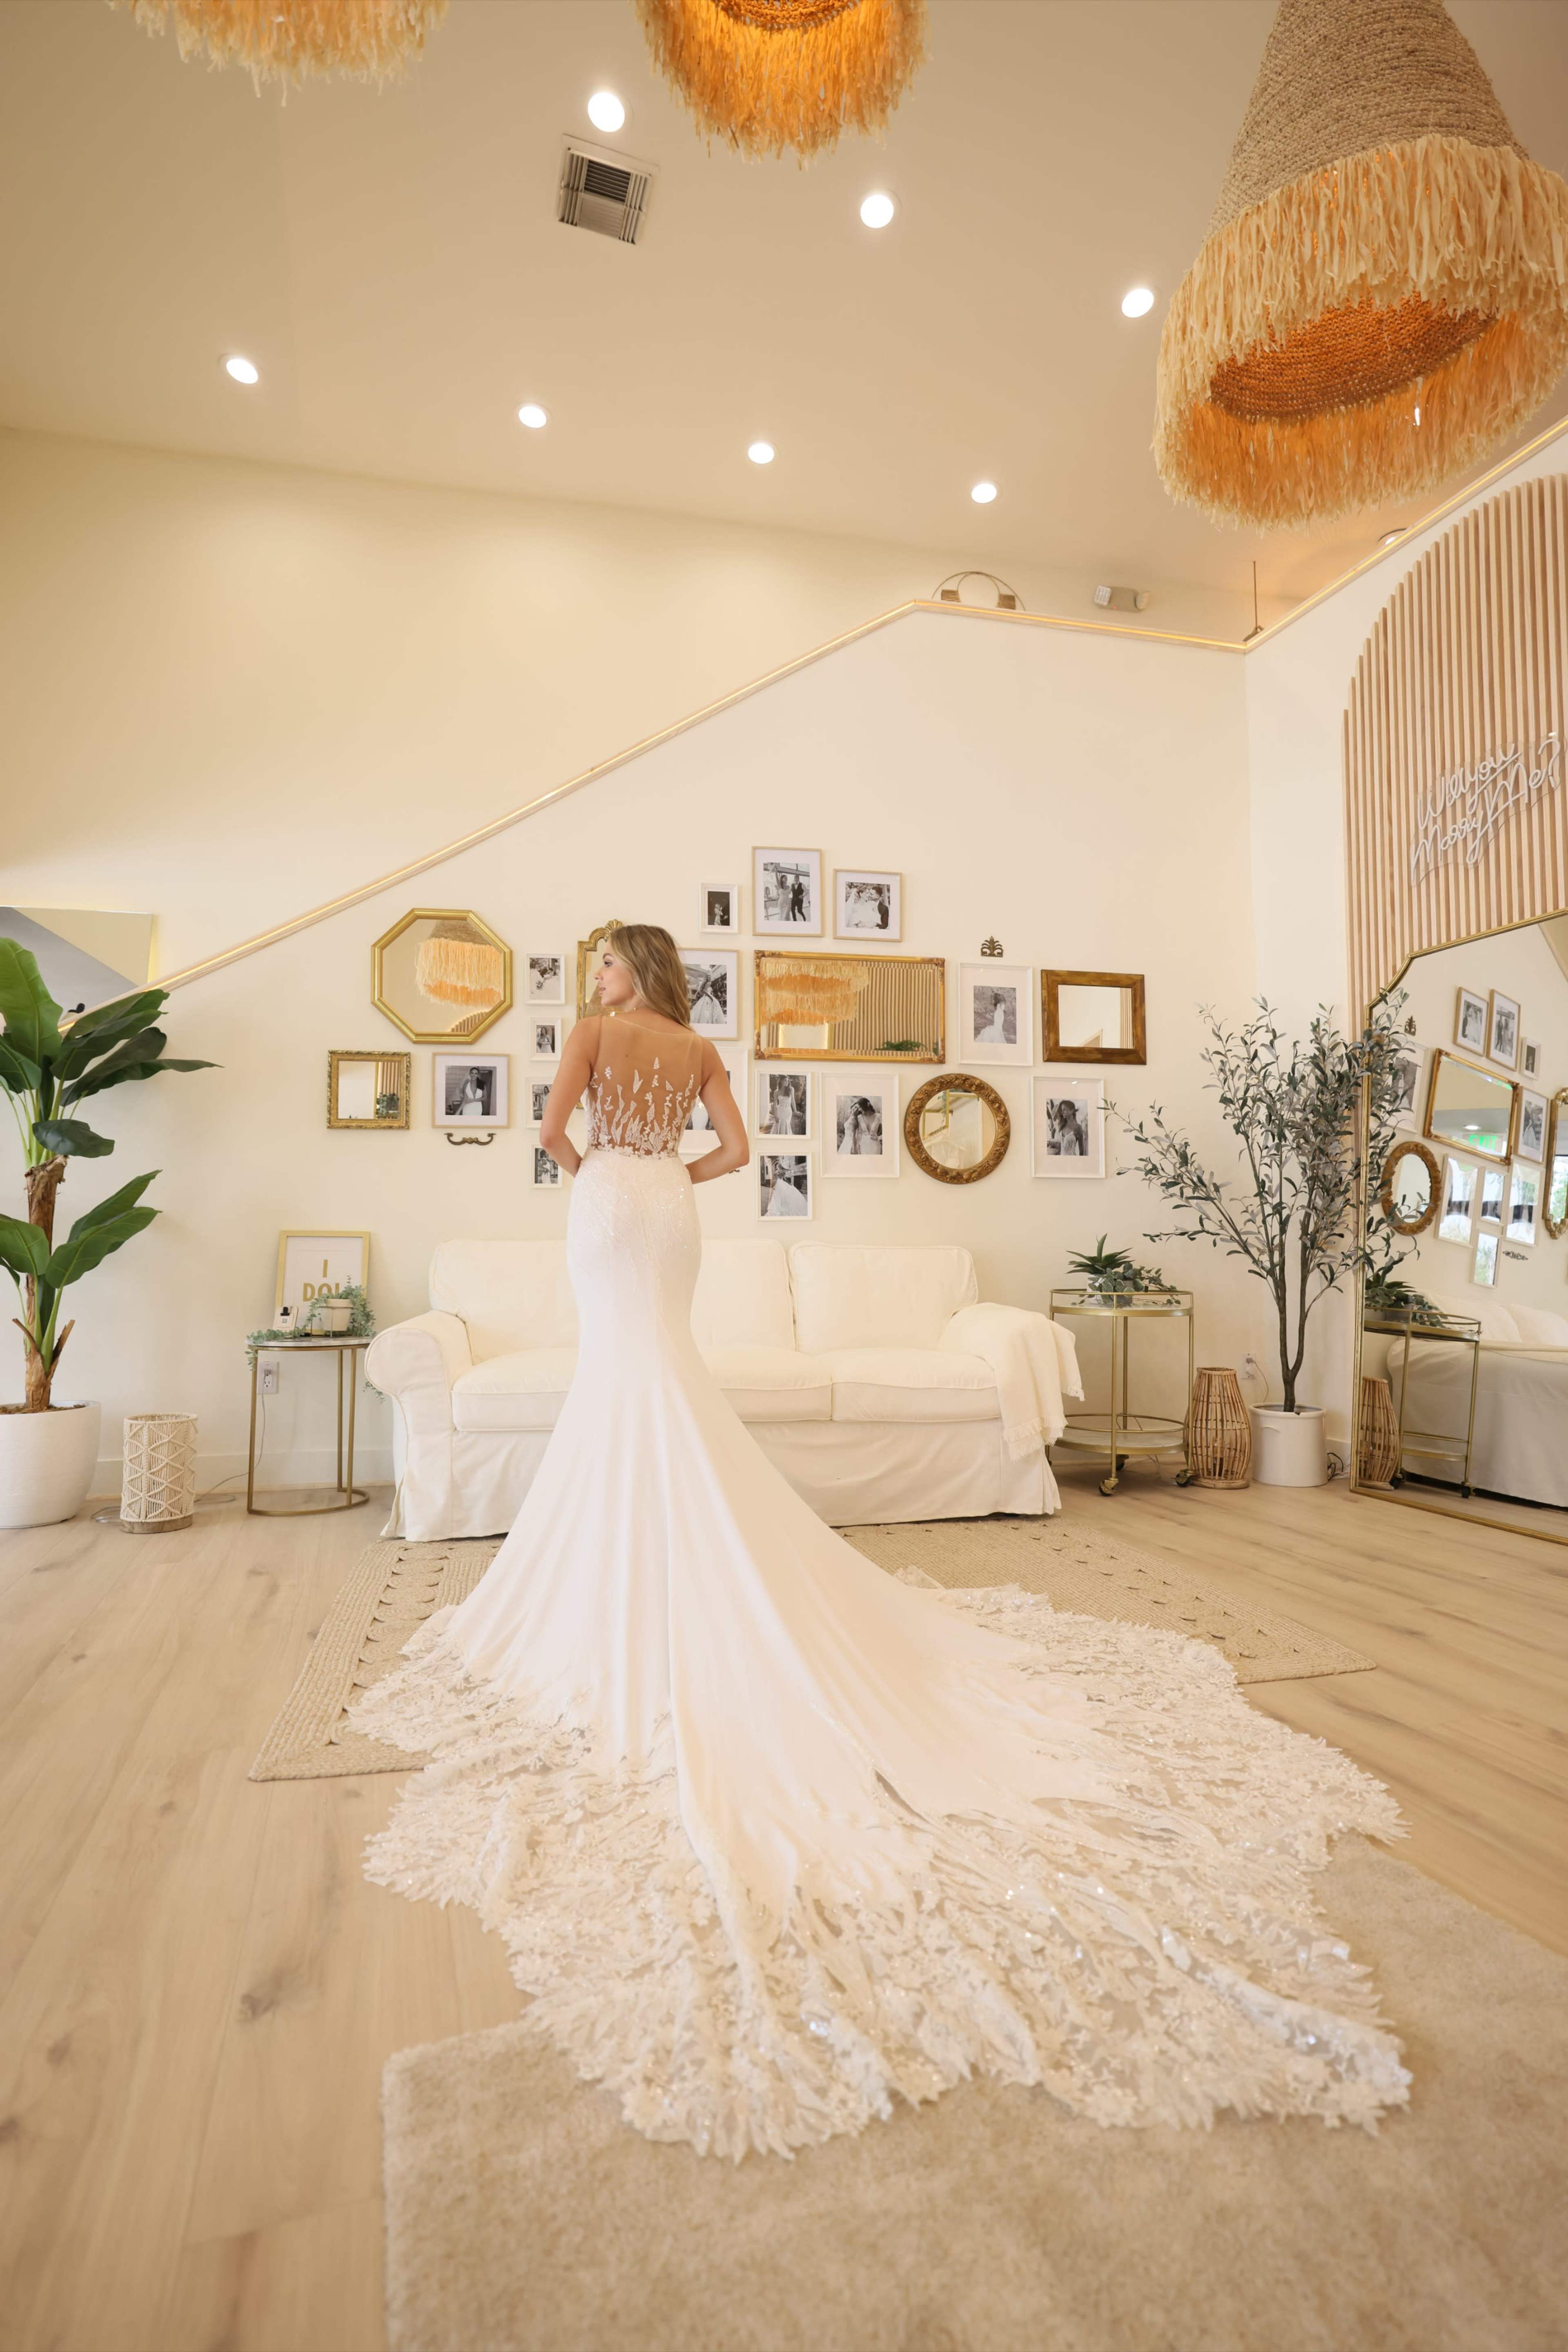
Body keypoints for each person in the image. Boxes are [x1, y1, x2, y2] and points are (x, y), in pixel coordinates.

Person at [352, 922, 1408, 2160]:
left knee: (617, 1375)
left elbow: (550, 1140)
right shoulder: (693, 1045)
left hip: (603, 1209)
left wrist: (609, 1175)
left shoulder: (591, 1038)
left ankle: (622, 1557)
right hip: (668, 1219)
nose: (594, 983)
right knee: (664, 1371)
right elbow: (733, 1153)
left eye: (604, 964)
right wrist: (663, 1180)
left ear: (628, 967)